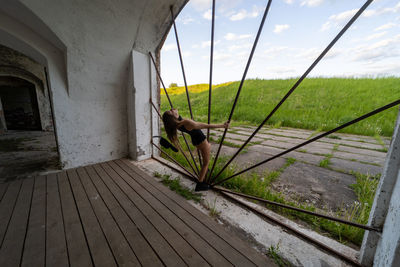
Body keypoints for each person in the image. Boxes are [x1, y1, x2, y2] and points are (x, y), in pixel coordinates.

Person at [162, 108, 229, 191]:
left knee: (207, 150)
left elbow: (178, 118)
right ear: (173, 117)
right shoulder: (186, 122)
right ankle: (200, 184)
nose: (172, 109)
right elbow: (205, 125)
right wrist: (222, 126)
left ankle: (204, 172)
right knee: (206, 163)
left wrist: (176, 114)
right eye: (171, 111)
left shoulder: (177, 124)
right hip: (201, 140)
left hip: (195, 141)